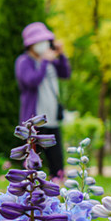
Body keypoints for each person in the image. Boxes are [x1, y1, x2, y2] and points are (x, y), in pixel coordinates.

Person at [15, 21, 71, 177]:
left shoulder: (51, 60)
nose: (44, 45)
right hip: (34, 122)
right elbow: (31, 81)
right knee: (32, 164)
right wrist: (45, 61)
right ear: (31, 45)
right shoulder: (24, 62)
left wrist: (61, 55)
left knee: (57, 164)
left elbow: (65, 73)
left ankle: (57, 195)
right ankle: (31, 196)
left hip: (52, 119)